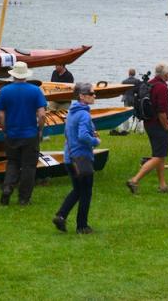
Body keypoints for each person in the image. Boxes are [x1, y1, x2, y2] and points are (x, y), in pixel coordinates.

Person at [0, 61, 47, 206]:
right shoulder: (35, 90)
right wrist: (40, 129)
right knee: (29, 166)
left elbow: (1, 115)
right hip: (30, 134)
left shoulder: (4, 91)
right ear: (25, 75)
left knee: (12, 163)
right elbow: (42, 115)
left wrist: (5, 129)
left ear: (13, 75)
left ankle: (7, 188)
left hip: (12, 133)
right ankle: (24, 198)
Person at [53, 82, 100, 234]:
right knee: (86, 192)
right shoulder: (84, 114)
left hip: (69, 157)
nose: (94, 96)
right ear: (82, 96)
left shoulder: (72, 112)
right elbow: (83, 135)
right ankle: (82, 226)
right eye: (91, 93)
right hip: (81, 158)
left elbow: (69, 133)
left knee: (77, 190)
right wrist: (96, 141)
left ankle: (61, 215)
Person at [125, 62, 168, 194]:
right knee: (158, 157)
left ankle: (163, 185)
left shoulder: (149, 84)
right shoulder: (162, 88)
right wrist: (166, 127)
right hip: (158, 124)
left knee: (159, 155)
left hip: (148, 123)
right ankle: (134, 180)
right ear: (165, 75)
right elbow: (161, 111)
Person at [114, 68, 142, 135]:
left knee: (125, 115)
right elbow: (140, 91)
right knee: (137, 114)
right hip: (135, 99)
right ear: (134, 74)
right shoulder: (138, 81)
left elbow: (121, 91)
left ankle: (125, 129)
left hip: (126, 99)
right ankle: (139, 129)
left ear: (128, 73)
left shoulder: (124, 81)